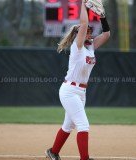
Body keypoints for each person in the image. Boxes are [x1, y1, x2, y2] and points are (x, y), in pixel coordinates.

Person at [45, 1, 110, 160]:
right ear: (78, 34)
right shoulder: (77, 46)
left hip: (81, 92)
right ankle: (85, 158)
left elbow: (107, 34)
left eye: (90, 31)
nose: (90, 32)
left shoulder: (91, 47)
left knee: (69, 125)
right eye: (87, 31)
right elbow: (84, 22)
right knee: (83, 125)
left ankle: (53, 152)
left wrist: (103, 17)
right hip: (69, 91)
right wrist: (83, 4)